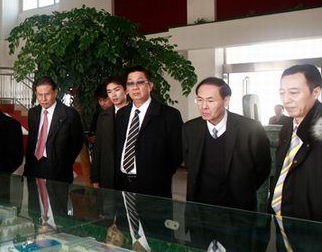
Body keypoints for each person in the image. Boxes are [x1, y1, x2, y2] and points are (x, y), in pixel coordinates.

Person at [184, 77, 270, 210]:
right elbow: (189, 163)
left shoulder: (250, 129)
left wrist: (244, 190)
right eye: (199, 100)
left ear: (226, 100)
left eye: (210, 100)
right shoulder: (190, 128)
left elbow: (263, 168)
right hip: (199, 207)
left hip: (238, 207)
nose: (204, 106)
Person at [114, 66, 183, 198]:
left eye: (140, 82)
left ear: (150, 86)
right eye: (130, 83)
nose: (135, 87)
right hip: (123, 183)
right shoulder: (122, 114)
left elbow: (177, 152)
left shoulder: (169, 115)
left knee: (152, 213)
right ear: (126, 89)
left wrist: (161, 175)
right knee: (124, 212)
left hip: (154, 185)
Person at [269, 64, 322, 221]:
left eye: (293, 92)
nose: (286, 100)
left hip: (311, 226)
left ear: (316, 92)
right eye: (282, 93)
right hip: (282, 222)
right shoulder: (287, 126)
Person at [24, 76, 84, 183]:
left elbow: (77, 143)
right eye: (39, 95)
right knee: (34, 194)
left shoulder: (70, 115)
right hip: (34, 167)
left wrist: (63, 163)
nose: (43, 99)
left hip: (58, 171)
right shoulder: (33, 113)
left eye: (47, 94)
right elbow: (32, 140)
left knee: (56, 194)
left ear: (55, 92)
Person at [91, 76, 128, 189]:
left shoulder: (136, 113)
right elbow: (98, 148)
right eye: (109, 92)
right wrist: (95, 177)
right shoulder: (103, 116)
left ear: (126, 90)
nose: (113, 95)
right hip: (108, 173)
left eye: (117, 90)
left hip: (130, 175)